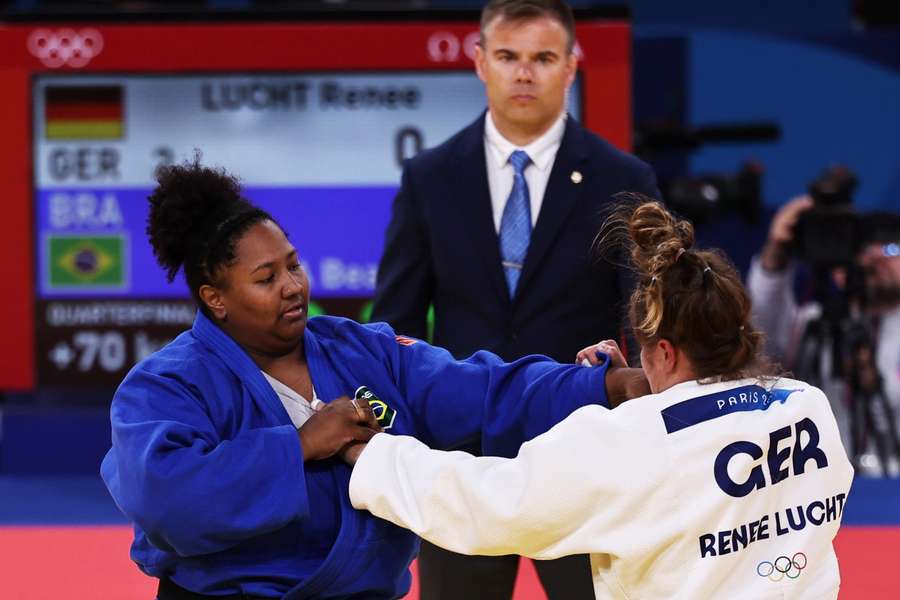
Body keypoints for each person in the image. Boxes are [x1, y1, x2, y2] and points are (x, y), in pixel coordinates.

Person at [100, 159, 648, 600]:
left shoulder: (361, 349)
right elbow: (165, 495)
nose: (292, 286)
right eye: (266, 278)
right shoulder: (166, 386)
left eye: (293, 264)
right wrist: (302, 445)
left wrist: (601, 388)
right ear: (214, 299)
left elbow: (485, 389)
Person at [349, 200, 855, 600]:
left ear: (662, 351)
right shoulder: (806, 405)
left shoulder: (625, 444)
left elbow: (489, 506)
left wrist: (373, 459)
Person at [371, 1, 659, 595]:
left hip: (585, 453)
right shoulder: (429, 176)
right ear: (480, 62)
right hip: (461, 460)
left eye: (542, 58)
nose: (524, 73)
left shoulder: (623, 179)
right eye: (508, 56)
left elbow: (653, 322)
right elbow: (396, 323)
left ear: (571, 66)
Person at [747, 194, 900, 474]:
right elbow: (758, 331)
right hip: (821, 486)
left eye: (891, 248)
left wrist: (873, 379)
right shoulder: (814, 324)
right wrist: (776, 251)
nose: (877, 258)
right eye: (867, 249)